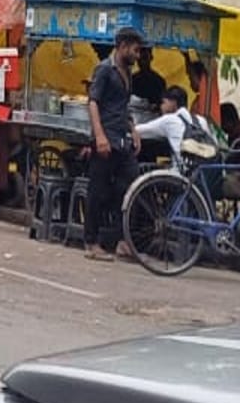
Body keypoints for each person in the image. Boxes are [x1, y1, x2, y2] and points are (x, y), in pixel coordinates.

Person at [84, 26, 144, 262]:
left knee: (130, 185)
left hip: (122, 140)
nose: (138, 56)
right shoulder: (104, 70)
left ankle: (122, 240)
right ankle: (91, 242)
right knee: (97, 190)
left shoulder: (127, 73)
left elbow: (123, 106)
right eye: (135, 50)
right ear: (122, 46)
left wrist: (133, 130)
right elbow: (93, 103)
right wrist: (99, 136)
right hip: (105, 138)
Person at [134, 85, 200, 163]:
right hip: (200, 167)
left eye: (163, 102)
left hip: (182, 169)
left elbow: (138, 130)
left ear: (173, 103)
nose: (161, 107)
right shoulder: (199, 120)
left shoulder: (169, 120)